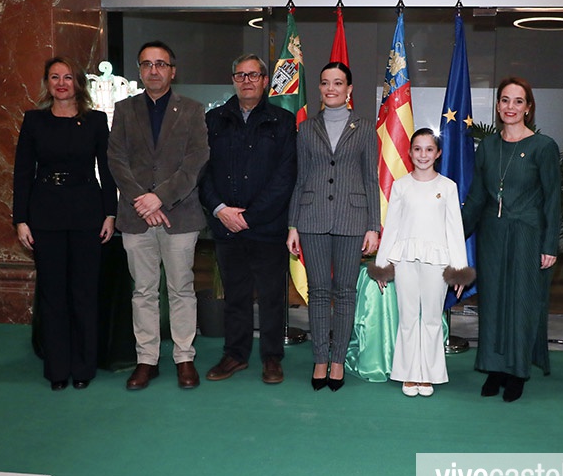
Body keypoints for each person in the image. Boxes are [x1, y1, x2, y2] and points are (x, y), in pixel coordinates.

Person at [107, 41, 209, 390]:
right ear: (139, 70)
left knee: (181, 289)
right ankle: (146, 360)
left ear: (172, 71)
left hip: (179, 215)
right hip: (136, 216)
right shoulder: (124, 110)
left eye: (161, 64)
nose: (154, 70)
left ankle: (184, 358)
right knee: (143, 291)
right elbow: (116, 159)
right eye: (147, 64)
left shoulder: (192, 110)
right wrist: (142, 201)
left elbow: (196, 161)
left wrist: (159, 198)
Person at [13, 56, 117, 391]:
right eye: (55, 77)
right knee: (53, 294)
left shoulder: (96, 121)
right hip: (45, 215)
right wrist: (21, 219)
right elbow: (22, 173)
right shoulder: (34, 121)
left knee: (84, 293)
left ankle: (83, 367)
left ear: (78, 83)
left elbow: (107, 170)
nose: (61, 83)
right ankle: (57, 369)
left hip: (88, 213)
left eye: (68, 77)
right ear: (47, 83)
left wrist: (110, 213)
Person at [462, 76, 561, 402]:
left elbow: (553, 200)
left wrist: (550, 245)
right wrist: (452, 236)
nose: (511, 107)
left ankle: (517, 371)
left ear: (528, 107)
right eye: (505, 100)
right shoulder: (488, 147)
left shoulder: (543, 147)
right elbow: (476, 198)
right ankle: (495, 368)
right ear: (498, 105)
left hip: (527, 236)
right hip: (491, 236)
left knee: (521, 303)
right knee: (492, 303)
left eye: (518, 101)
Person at [201, 54, 297, 385]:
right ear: (233, 80)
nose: (247, 81)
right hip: (226, 226)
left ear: (265, 81)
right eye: (240, 75)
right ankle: (235, 355)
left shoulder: (282, 121)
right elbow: (202, 172)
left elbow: (285, 176)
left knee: (271, 297)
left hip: (267, 228)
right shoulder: (214, 120)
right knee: (236, 295)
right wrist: (220, 209)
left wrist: (250, 216)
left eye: (253, 75)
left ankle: (271, 358)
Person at [287, 62, 379, 391]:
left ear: (349, 89)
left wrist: (373, 226)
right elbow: (300, 179)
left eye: (338, 83)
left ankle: (337, 359)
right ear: (320, 88)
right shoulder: (306, 128)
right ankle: (320, 359)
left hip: (352, 219)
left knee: (345, 292)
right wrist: (293, 225)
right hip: (311, 218)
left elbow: (371, 179)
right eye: (325, 82)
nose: (331, 88)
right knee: (318, 292)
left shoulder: (365, 128)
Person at [368, 128, 474, 397]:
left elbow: (454, 229)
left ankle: (428, 375)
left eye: (429, 149)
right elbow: (392, 227)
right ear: (410, 152)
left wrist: (459, 270)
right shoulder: (401, 186)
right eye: (417, 149)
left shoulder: (447, 187)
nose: (423, 155)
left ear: (438, 153)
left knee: (431, 318)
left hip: (437, 261)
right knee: (407, 318)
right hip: (405, 259)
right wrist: (382, 265)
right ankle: (408, 373)